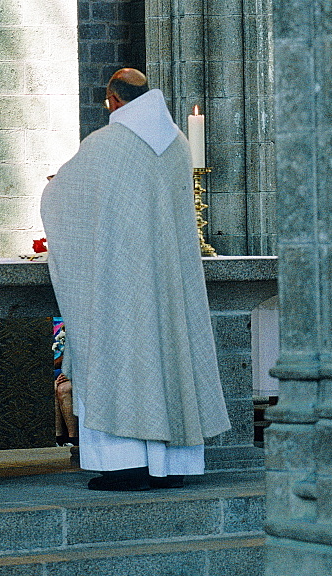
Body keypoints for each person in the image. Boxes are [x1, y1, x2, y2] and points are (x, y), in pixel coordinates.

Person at [40, 68, 230, 491]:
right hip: (167, 285)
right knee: (169, 358)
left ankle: (126, 465)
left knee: (121, 360)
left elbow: (60, 200)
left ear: (113, 99)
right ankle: (172, 465)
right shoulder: (179, 145)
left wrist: (59, 188)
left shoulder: (106, 144)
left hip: (119, 285)